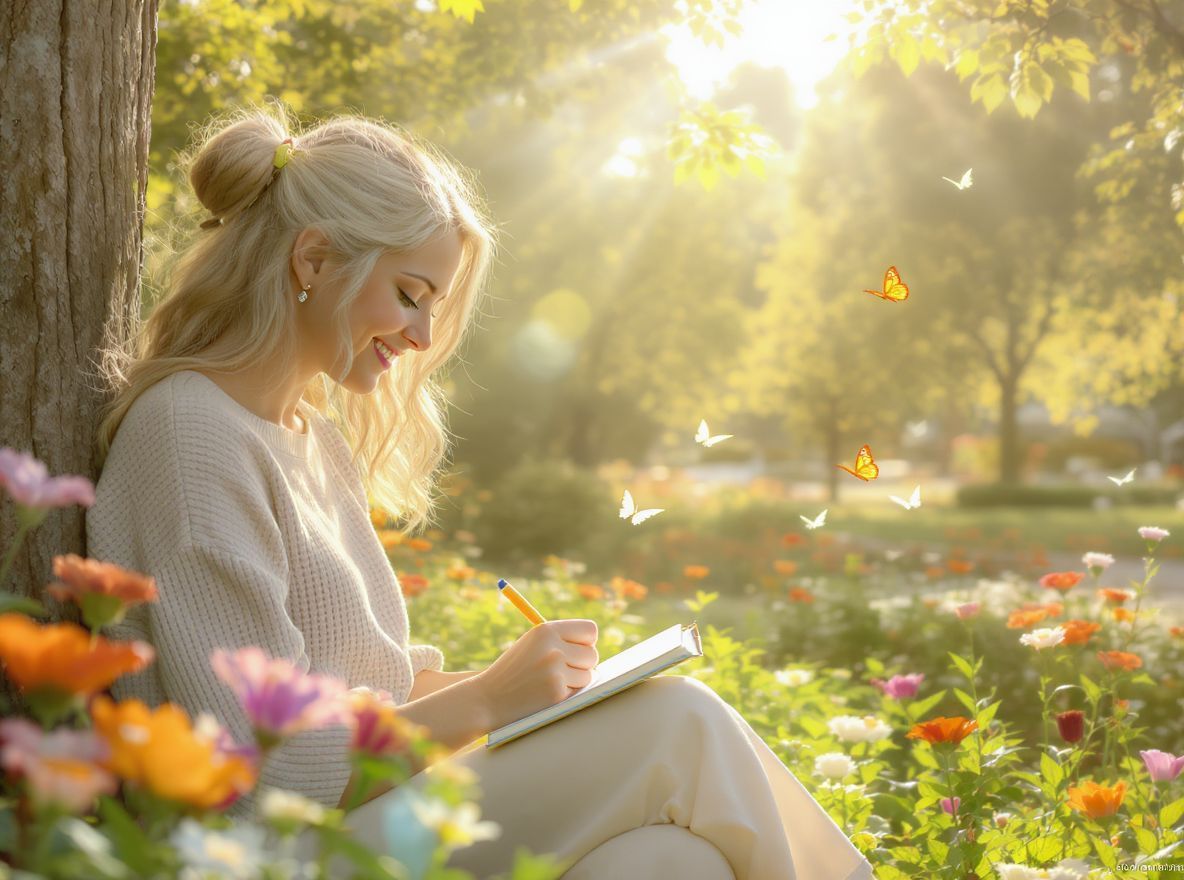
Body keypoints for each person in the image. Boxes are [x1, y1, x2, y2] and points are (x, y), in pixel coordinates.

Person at [85, 106, 874, 880]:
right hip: (262, 853)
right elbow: (274, 773)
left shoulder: (310, 438)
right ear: (315, 260)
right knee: (678, 723)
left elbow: (383, 686)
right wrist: (490, 700)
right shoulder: (189, 435)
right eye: (409, 293)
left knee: (669, 862)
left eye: (432, 303)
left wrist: (536, 687)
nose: (424, 336)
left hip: (355, 820)